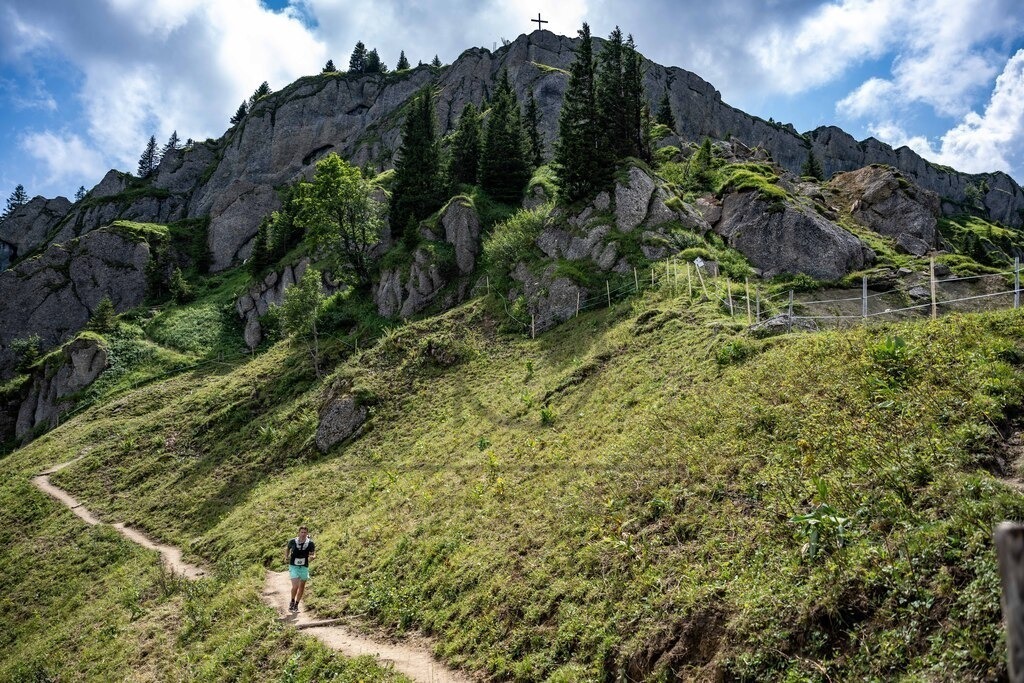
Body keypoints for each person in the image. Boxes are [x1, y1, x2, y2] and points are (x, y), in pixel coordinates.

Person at [285, 525, 316, 612]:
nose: (303, 534)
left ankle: (296, 604)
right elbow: (287, 549)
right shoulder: (292, 541)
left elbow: (313, 553)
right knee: (295, 586)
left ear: (307, 533)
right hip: (293, 566)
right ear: (299, 533)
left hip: (304, 566)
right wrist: (286, 557)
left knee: (301, 587)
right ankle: (292, 601)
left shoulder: (310, 543)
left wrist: (312, 557)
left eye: (305, 532)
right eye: (301, 532)